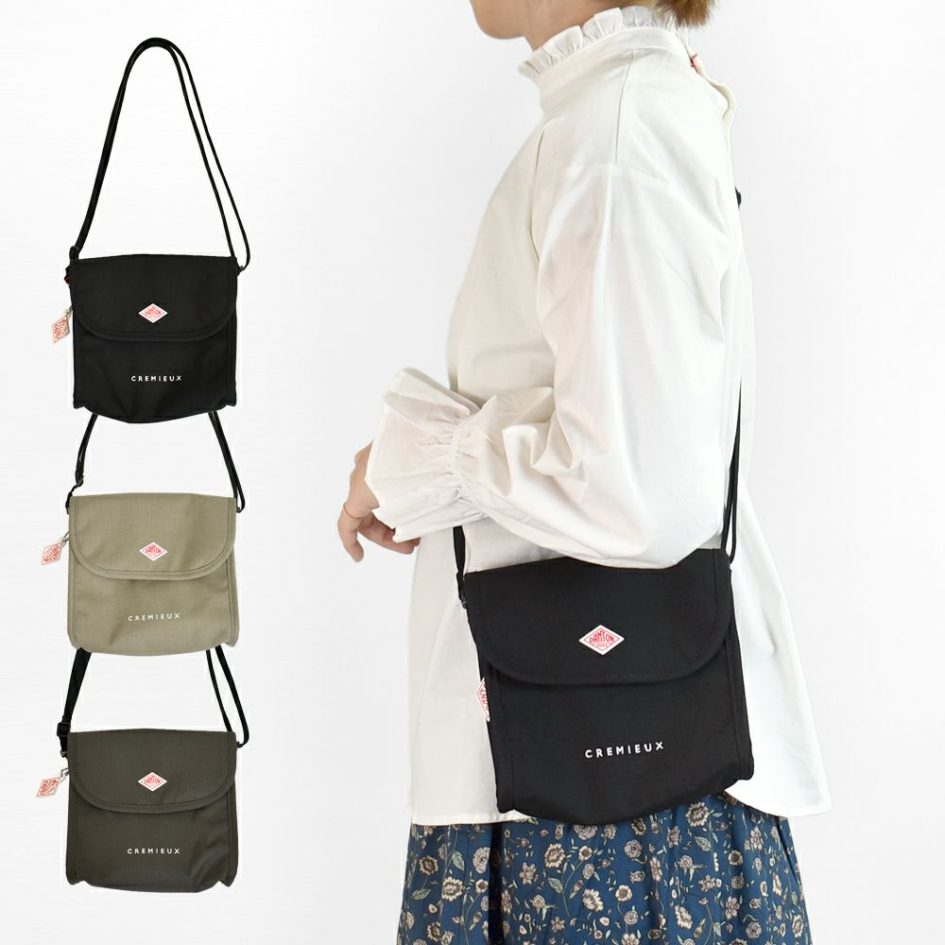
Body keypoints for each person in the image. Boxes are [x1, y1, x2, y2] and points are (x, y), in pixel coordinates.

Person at [339, 3, 830, 942]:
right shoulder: (616, 113)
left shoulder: (615, 132)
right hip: (585, 776)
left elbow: (635, 487)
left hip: (597, 814)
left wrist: (413, 461)